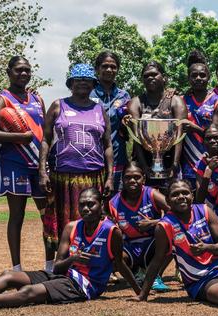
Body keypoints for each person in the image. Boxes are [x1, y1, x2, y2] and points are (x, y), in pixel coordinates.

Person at [0, 188, 138, 313]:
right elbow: (58, 266)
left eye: (91, 204)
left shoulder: (111, 231)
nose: (86, 208)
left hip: (84, 286)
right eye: (82, 204)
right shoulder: (72, 227)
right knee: (8, 276)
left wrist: (140, 291)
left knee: (28, 293)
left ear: (101, 205)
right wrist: (74, 258)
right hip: (64, 275)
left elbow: (118, 264)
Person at [0, 56, 51, 272]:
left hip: (38, 165)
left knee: (47, 214)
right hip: (15, 164)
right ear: (9, 72)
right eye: (19, 70)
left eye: (27, 70)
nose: (23, 74)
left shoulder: (37, 99)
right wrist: (18, 137)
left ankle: (50, 265)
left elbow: (45, 130)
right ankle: (17, 267)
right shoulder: (2, 100)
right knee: (17, 216)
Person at [38, 63, 114, 251]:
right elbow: (45, 139)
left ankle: (91, 263)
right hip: (63, 176)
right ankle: (57, 266)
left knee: (91, 222)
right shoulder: (58, 105)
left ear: (93, 85)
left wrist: (110, 177)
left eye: (87, 81)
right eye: (78, 80)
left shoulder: (99, 110)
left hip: (93, 176)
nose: (83, 84)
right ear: (70, 83)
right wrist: (42, 171)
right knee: (60, 222)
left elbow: (108, 145)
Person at [108, 161, 171, 292]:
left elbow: (176, 214)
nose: (132, 180)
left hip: (152, 244)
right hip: (129, 246)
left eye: (137, 177)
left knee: (175, 240)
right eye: (128, 177)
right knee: (112, 259)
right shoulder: (113, 203)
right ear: (122, 179)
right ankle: (136, 272)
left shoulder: (152, 194)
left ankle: (155, 276)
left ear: (144, 178)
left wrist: (153, 223)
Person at [128, 61, 188, 184]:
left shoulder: (176, 101)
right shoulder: (136, 102)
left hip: (170, 160)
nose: (150, 77)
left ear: (164, 78)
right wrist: (144, 166)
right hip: (143, 162)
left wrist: (175, 164)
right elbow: (136, 138)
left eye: (154, 74)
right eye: (146, 75)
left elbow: (179, 135)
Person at [181, 50, 218, 188]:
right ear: (188, 78)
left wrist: (194, 128)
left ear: (208, 77)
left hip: (210, 160)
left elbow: (215, 135)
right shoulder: (181, 100)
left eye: (202, 75)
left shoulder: (217, 101)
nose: (198, 78)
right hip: (188, 161)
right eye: (194, 75)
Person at [90, 51, 132, 191]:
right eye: (105, 66)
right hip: (91, 158)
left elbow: (128, 127)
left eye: (113, 67)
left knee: (114, 203)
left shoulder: (124, 96)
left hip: (117, 157)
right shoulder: (88, 92)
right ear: (97, 69)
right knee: (93, 201)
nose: (109, 70)